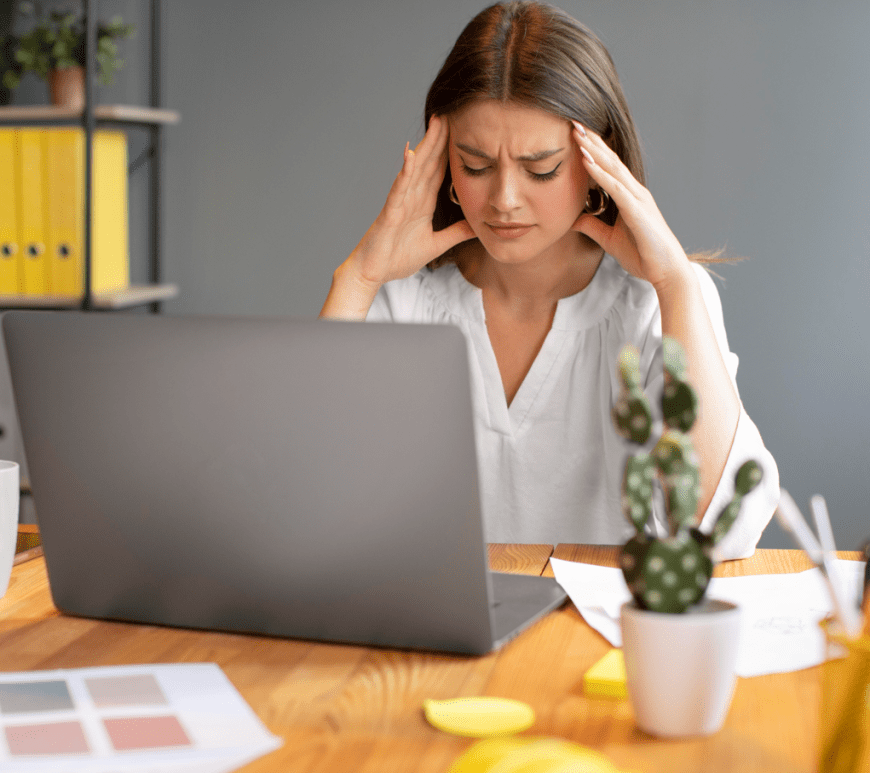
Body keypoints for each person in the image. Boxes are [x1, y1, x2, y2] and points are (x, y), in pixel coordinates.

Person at [320, 1, 778, 558]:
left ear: (597, 162)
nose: (504, 201)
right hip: (433, 645)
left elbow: (725, 531)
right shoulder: (400, 303)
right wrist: (357, 277)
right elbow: (307, 504)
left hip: (600, 644)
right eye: (475, 165)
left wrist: (677, 284)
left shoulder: (657, 305)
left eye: (541, 169)